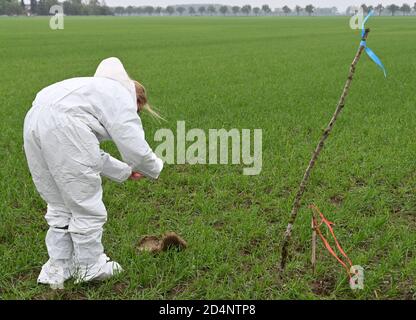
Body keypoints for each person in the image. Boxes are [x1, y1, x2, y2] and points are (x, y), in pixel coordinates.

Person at [23, 57, 163, 288]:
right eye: (139, 110)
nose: (137, 114)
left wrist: (125, 172)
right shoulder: (119, 96)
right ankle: (90, 266)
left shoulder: (89, 90)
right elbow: (134, 148)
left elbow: (84, 153)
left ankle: (57, 267)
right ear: (137, 99)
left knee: (58, 203)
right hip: (63, 127)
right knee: (85, 203)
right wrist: (154, 167)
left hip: (33, 121)